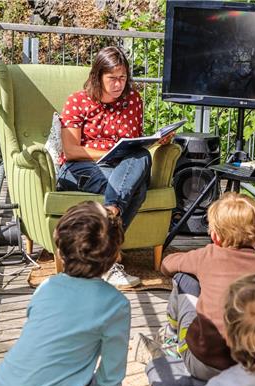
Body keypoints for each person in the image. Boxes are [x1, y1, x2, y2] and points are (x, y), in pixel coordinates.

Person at [0, 202, 131, 386]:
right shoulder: (116, 305)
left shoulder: (46, 287)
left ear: (59, 252)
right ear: (115, 256)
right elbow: (110, 376)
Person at [56, 46, 172, 288]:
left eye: (123, 78)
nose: (119, 85)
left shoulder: (133, 100)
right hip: (80, 169)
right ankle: (109, 257)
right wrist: (108, 153)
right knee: (136, 189)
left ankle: (107, 226)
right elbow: (71, 151)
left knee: (141, 156)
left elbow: (133, 147)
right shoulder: (78, 101)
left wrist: (156, 141)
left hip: (120, 169)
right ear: (98, 76)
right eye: (112, 79)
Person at [138, 192, 255, 380]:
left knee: (184, 278)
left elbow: (167, 265)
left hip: (205, 365)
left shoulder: (208, 256)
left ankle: (170, 338)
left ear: (214, 236)